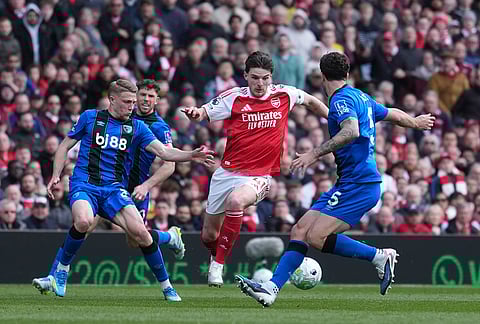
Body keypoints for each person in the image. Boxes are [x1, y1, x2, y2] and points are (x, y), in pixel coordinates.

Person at [235, 52, 435, 307]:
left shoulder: (341, 100)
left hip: (360, 185)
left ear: (322, 76)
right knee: (300, 230)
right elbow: (392, 113)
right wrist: (415, 123)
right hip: (349, 183)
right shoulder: (360, 96)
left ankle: (378, 256)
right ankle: (271, 288)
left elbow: (351, 130)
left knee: (316, 237)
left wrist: (313, 154)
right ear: (348, 74)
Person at [31, 79, 214, 300]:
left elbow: (165, 154)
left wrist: (191, 155)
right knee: (83, 222)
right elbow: (64, 146)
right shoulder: (90, 117)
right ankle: (59, 273)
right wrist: (55, 175)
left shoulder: (138, 127)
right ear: (112, 99)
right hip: (85, 184)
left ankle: (167, 287)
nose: (132, 106)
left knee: (141, 237)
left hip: (114, 190)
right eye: (128, 102)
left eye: (133, 102)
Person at [182, 51, 329, 287]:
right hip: (227, 173)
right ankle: (216, 255)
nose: (260, 83)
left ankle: (217, 268)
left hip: (260, 176)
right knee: (209, 235)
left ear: (271, 77)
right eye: (255, 78)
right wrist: (195, 113)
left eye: (265, 78)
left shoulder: (284, 94)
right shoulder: (234, 98)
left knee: (236, 202)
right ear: (245, 76)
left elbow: (311, 101)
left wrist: (332, 118)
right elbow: (204, 113)